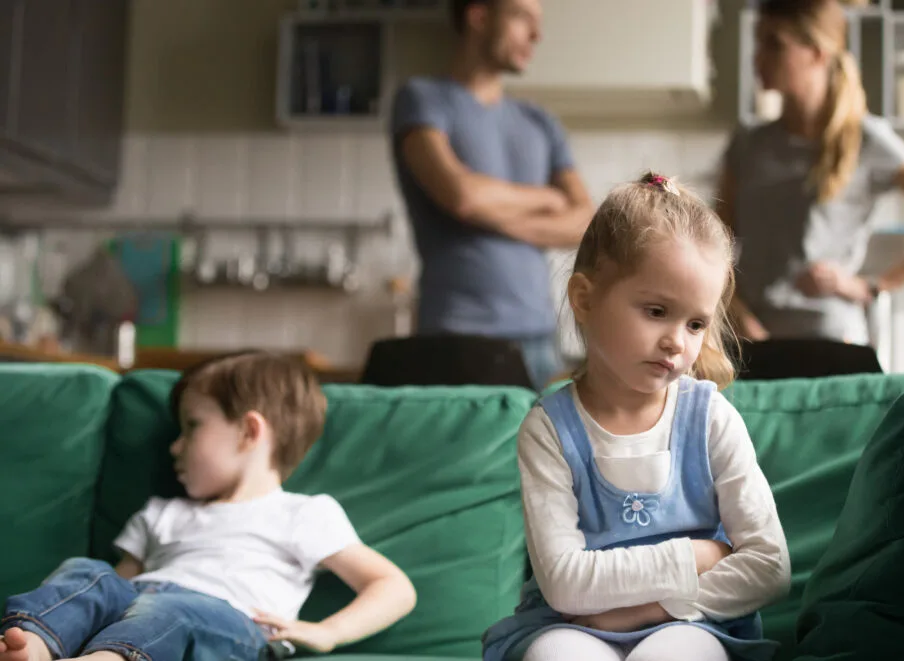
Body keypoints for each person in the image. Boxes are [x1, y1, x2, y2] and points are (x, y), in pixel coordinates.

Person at [481, 173, 791, 661]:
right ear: (584, 299)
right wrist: (694, 555)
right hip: (571, 625)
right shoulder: (548, 429)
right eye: (655, 311)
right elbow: (564, 584)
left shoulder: (711, 419)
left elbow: (770, 567)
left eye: (695, 323)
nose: (678, 341)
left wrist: (651, 609)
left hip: (696, 620)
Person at [0, 351, 416, 661]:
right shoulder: (163, 512)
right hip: (139, 603)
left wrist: (328, 631)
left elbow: (393, 587)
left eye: (192, 427)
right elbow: (115, 588)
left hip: (225, 622)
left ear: (249, 431)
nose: (174, 447)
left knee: (172, 610)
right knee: (87, 571)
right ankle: (31, 644)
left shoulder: (304, 514)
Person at [719, 0, 904, 345]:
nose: (757, 58)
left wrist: (870, 287)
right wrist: (738, 316)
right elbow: (714, 248)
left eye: (774, 44)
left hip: (831, 343)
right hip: (749, 343)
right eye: (759, 43)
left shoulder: (867, 140)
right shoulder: (747, 143)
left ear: (817, 53)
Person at [389, 0, 595, 390]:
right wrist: (547, 198)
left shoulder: (540, 122)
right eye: (522, 18)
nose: (536, 36)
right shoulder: (421, 99)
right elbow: (461, 194)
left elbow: (586, 220)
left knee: (546, 452)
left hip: (540, 336)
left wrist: (490, 213)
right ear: (479, 16)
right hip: (457, 333)